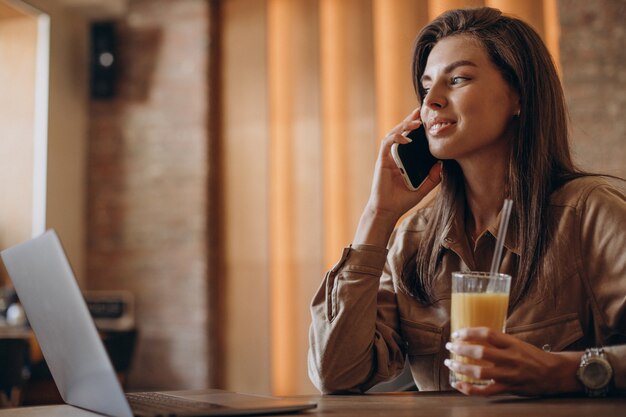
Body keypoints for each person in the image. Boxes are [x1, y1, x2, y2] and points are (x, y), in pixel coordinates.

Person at [308, 7, 625, 397]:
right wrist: (378, 214)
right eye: (426, 88)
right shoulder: (413, 238)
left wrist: (564, 370)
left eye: (457, 79)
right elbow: (336, 374)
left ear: (518, 96)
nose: (432, 102)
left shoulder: (590, 213)